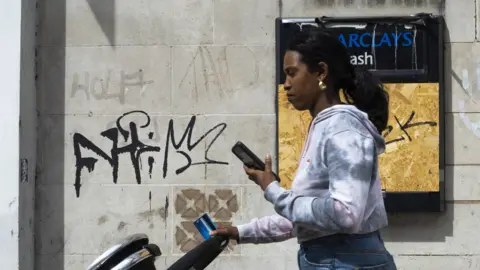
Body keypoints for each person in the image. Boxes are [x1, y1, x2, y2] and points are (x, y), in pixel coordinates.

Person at [210, 26, 397, 270]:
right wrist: (242, 232)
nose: (285, 84)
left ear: (321, 72)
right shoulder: (326, 126)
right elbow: (308, 219)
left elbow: (345, 214)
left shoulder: (342, 129)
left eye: (292, 73)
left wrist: (273, 190)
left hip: (344, 260)